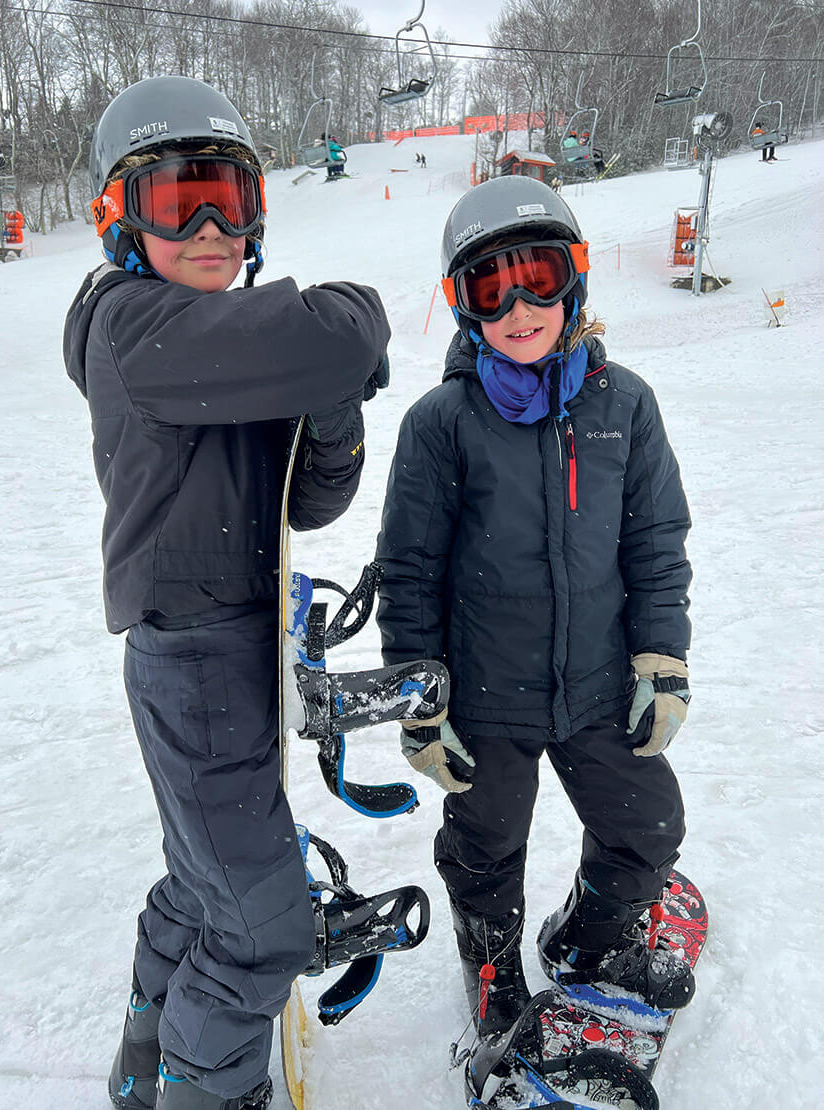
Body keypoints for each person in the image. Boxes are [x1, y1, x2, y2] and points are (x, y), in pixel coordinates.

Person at [63, 76, 390, 1110]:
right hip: (194, 659)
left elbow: (312, 503)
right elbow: (344, 330)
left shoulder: (222, 345)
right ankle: (206, 1091)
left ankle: (146, 1059)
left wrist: (331, 414)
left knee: (208, 880)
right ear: (120, 221)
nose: (210, 227)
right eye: (176, 202)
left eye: (230, 199)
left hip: (234, 647)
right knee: (263, 928)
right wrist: (341, 348)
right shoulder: (135, 325)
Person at [375, 175, 695, 1043]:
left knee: (648, 826)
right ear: (462, 304)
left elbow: (655, 544)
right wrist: (421, 702)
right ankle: (491, 975)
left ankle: (590, 943)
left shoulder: (624, 406)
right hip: (486, 696)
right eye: (491, 287)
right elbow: (409, 573)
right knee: (484, 853)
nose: (519, 308)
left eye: (538, 278)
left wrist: (661, 657)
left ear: (573, 280)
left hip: (598, 685)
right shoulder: (441, 423)